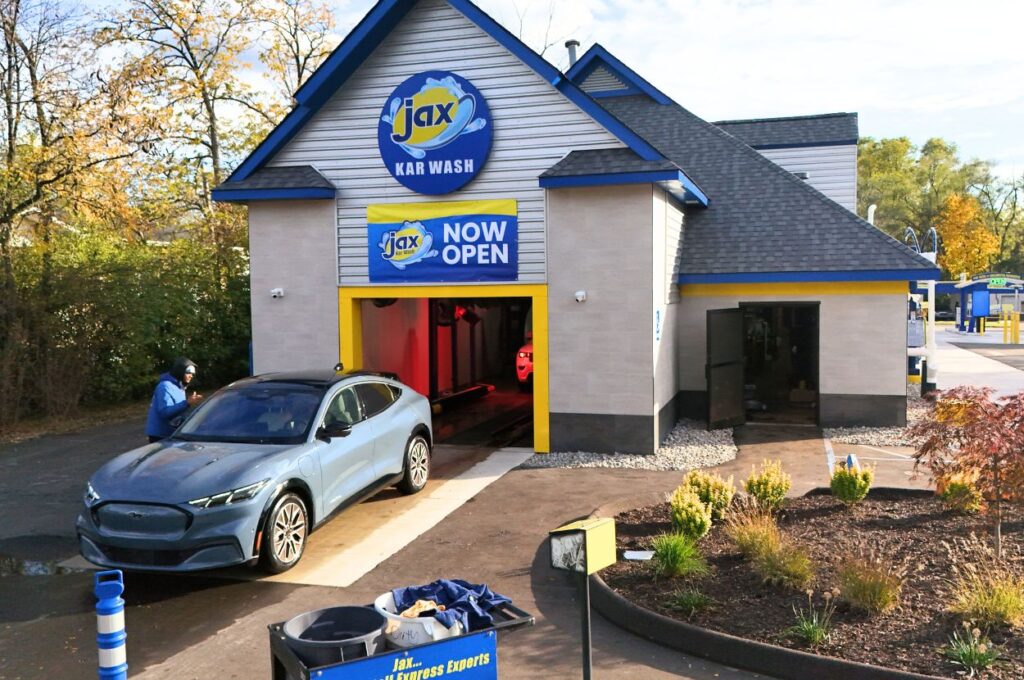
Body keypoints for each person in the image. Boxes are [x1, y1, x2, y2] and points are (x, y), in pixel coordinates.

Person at [145, 357, 203, 442]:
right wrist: (187, 403)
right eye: (188, 372)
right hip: (160, 435)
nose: (191, 376)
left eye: (193, 374)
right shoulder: (164, 386)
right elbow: (164, 412)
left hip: (172, 433)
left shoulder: (180, 387)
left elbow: (179, 412)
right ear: (180, 371)